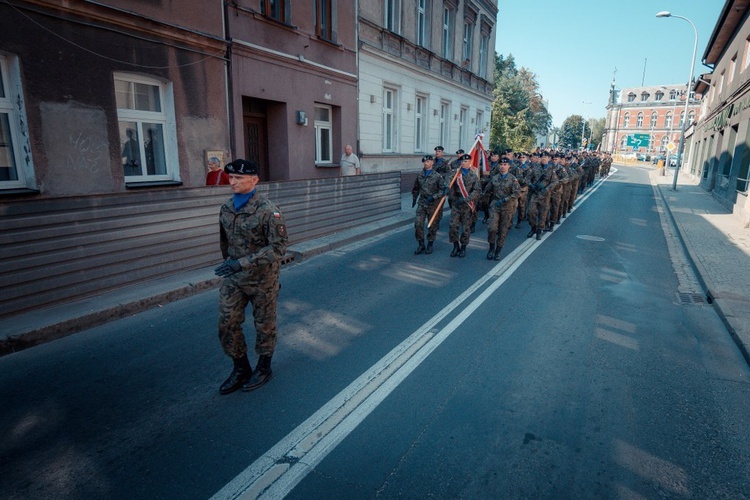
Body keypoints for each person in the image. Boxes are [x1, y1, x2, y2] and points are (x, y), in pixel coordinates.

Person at [215, 159, 288, 394]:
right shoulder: (227, 207)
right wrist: (230, 262)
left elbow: (278, 249)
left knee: (264, 325)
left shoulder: (269, 210)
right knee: (227, 323)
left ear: (254, 180)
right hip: (234, 277)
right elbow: (225, 241)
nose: (232, 182)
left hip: (262, 280)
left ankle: (264, 367)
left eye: (238, 178)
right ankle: (241, 368)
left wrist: (242, 263)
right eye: (231, 177)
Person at [484, 157, 520, 260]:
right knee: (492, 228)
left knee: (502, 230)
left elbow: (517, 193)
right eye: (501, 165)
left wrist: (505, 200)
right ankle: (491, 248)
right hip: (495, 205)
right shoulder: (494, 178)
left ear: (509, 166)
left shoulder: (513, 179)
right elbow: (487, 190)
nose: (502, 167)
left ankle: (498, 250)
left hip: (507, 207)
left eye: (505, 165)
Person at [411, 155, 447, 255]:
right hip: (422, 203)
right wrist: (414, 199)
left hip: (433, 204)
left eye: (428, 161)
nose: (426, 163)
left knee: (432, 226)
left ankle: (430, 244)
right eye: (424, 162)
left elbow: (443, 190)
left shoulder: (437, 176)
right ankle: (421, 244)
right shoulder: (420, 175)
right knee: (418, 224)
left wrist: (433, 197)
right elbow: (416, 188)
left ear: (432, 162)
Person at [448, 154, 481, 257]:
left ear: (470, 162)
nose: (463, 163)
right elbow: (448, 183)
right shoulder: (455, 173)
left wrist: (466, 199)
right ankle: (455, 246)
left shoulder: (473, 176)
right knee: (453, 226)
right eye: (462, 161)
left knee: (466, 228)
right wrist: (453, 197)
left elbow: (477, 191)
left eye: (466, 161)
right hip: (456, 203)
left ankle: (463, 247)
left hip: (467, 205)